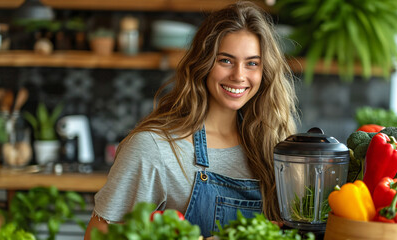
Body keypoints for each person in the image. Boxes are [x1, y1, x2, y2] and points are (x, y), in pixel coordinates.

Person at [84, 1, 298, 238]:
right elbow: (99, 235)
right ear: (203, 63)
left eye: (252, 63)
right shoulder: (154, 149)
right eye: (225, 60)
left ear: (264, 71)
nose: (239, 75)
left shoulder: (271, 146)